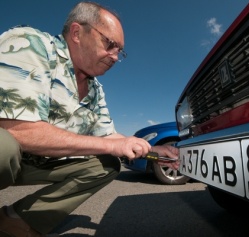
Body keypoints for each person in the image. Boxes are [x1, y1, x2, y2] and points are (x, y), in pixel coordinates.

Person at [0, 2, 180, 236]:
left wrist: (154, 152)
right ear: (77, 32)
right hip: (10, 155)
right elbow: (20, 130)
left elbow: (109, 135)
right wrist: (111, 144)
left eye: (120, 51)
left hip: (34, 162)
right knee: (4, 146)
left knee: (106, 165)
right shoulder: (31, 43)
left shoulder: (96, 90)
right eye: (110, 45)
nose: (115, 57)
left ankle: (16, 220)